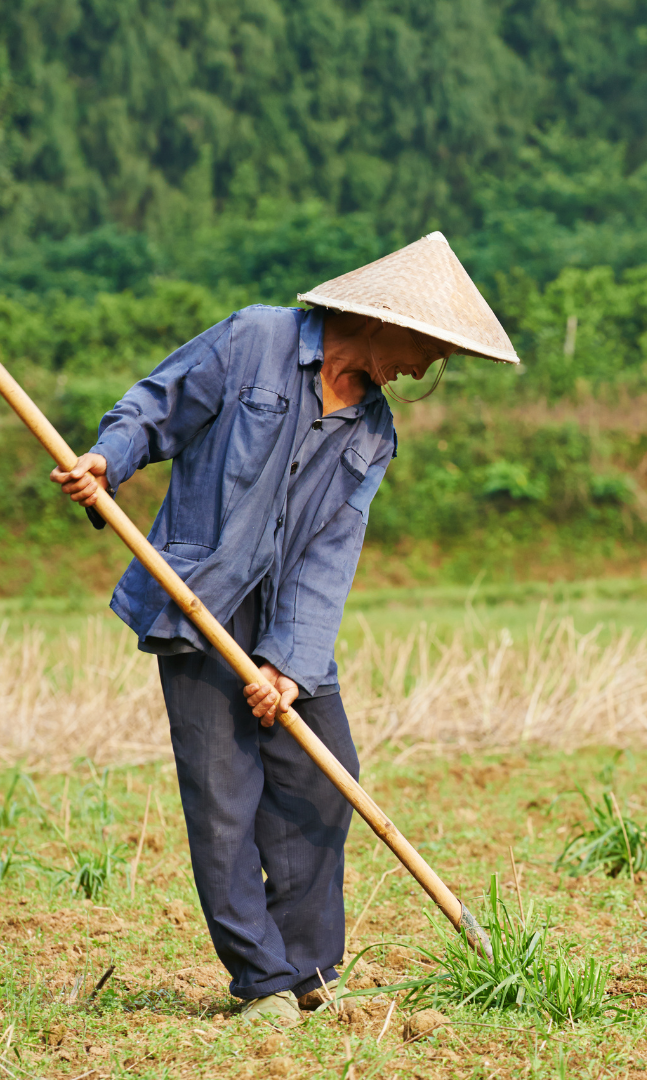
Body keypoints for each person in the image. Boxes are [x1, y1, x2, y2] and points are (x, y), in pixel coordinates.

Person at [49, 234, 520, 1025]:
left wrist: (289, 670)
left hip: (289, 623)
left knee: (323, 776)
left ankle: (307, 972)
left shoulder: (374, 432)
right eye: (427, 350)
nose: (424, 369)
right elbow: (155, 408)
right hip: (198, 595)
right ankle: (262, 983)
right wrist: (107, 459)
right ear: (384, 321)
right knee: (224, 797)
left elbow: (330, 555)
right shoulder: (254, 340)